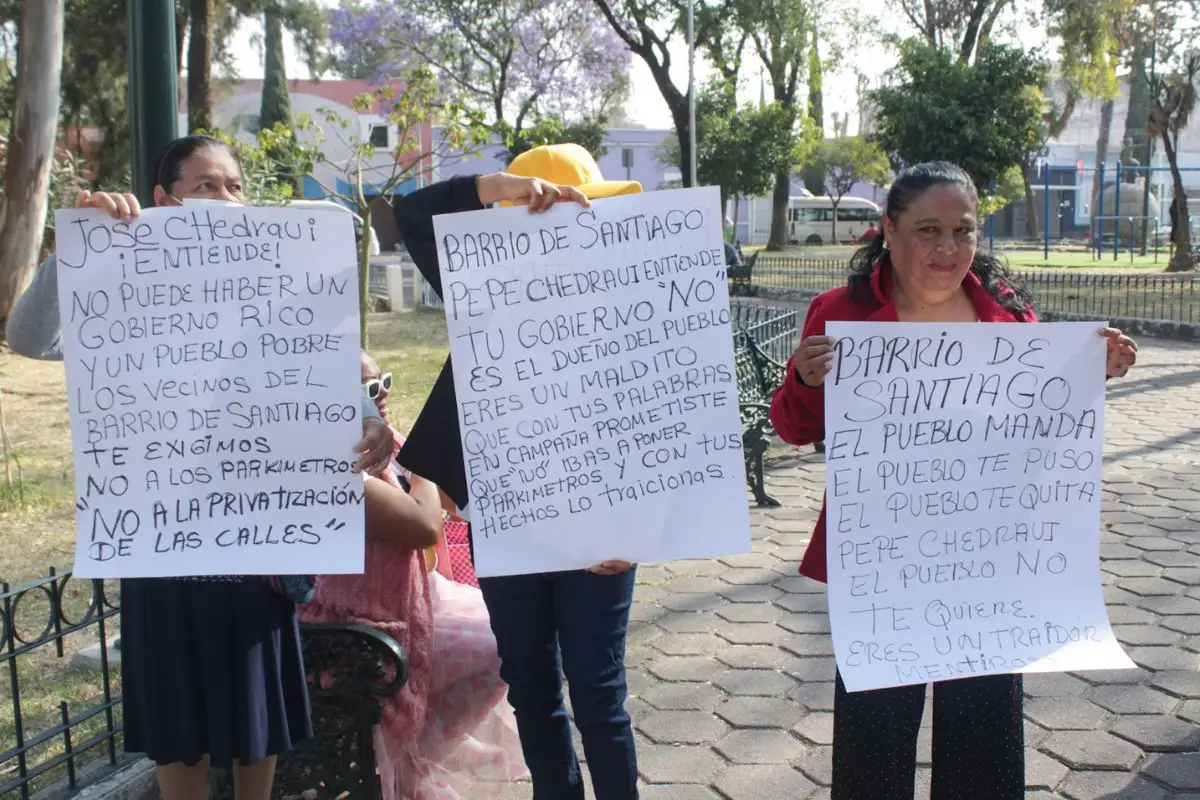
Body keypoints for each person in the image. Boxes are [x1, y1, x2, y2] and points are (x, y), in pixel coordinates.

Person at [4, 134, 394, 800]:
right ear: (162, 200)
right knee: (175, 722)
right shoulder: (119, 282)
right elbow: (27, 338)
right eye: (206, 185)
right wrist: (78, 249)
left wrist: (372, 426)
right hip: (162, 547)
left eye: (234, 186)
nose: (224, 199)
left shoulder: (279, 283)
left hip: (256, 551)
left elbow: (341, 385)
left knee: (256, 723)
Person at [768, 161, 1138, 800]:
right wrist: (802, 381)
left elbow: (1038, 427)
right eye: (928, 229)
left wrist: (1090, 373)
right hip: (881, 564)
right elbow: (795, 429)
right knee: (874, 739)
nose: (947, 249)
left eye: (963, 231)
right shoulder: (839, 315)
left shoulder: (1009, 317)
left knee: (983, 735)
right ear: (888, 230)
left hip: (987, 562)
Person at [392, 144, 642, 799]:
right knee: (531, 685)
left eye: (585, 209)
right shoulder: (482, 286)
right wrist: (501, 185)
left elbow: (666, 426)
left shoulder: (633, 300)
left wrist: (639, 526)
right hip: (505, 521)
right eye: (548, 209)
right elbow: (410, 214)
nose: (569, 225)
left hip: (601, 527)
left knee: (598, 694)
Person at [298, 352, 527, 800]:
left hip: (406, 603)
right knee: (496, 647)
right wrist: (423, 472)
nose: (381, 395)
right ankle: (408, 756)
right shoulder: (335, 465)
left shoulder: (384, 445)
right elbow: (423, 526)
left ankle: (414, 752)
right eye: (366, 390)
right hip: (357, 628)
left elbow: (443, 501)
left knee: (511, 636)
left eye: (384, 381)